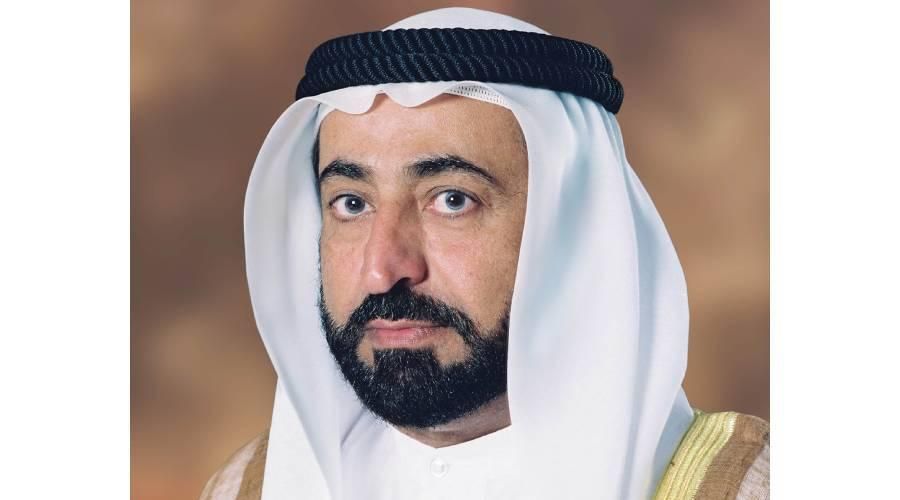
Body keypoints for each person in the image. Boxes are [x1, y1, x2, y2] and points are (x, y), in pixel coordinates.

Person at [200, 7, 769, 500]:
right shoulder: (246, 486)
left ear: (572, 230)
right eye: (352, 203)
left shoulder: (750, 485)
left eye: (452, 200)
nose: (383, 269)